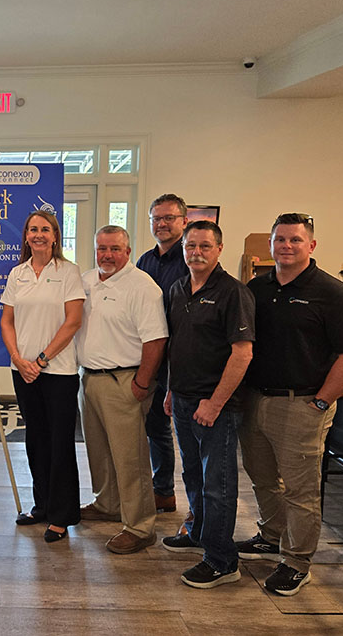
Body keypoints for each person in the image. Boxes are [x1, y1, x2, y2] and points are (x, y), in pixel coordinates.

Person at [237, 212, 343, 596]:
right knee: (261, 476)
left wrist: (322, 403)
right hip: (256, 400)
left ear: (311, 245)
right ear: (271, 244)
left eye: (295, 240)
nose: (287, 246)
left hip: (302, 404)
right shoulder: (257, 289)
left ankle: (296, 561)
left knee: (300, 489)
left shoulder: (332, 293)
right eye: (280, 240)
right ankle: (271, 535)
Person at [160, 221, 255, 589]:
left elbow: (242, 354)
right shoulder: (178, 288)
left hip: (216, 406)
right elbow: (178, 347)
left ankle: (221, 559)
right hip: (183, 399)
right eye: (190, 246)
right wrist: (171, 390)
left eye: (204, 246)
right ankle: (198, 532)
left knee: (219, 482)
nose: (196, 252)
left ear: (219, 249)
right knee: (193, 476)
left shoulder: (233, 293)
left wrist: (215, 403)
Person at [77, 225, 168, 554]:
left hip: (124, 381)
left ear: (128, 252)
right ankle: (108, 504)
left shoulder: (142, 287)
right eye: (102, 248)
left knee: (130, 459)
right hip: (89, 378)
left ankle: (140, 526)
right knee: (99, 451)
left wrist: (142, 382)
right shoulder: (86, 281)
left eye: (115, 248)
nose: (107, 255)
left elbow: (156, 339)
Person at [0, 210, 85, 543]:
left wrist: (41, 359)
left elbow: (73, 321)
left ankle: (62, 516)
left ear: (55, 236)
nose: (38, 234)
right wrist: (20, 360)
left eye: (44, 229)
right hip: (24, 372)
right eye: (32, 229)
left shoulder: (68, 272)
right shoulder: (17, 273)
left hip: (58, 372)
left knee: (60, 442)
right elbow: (7, 321)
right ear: (26, 236)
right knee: (35, 439)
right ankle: (42, 506)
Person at [136, 193, 190, 515]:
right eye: (157, 218)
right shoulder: (146, 261)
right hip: (149, 355)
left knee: (180, 431)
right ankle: (161, 491)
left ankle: (174, 496)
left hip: (179, 359)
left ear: (183, 221)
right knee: (155, 427)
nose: (163, 223)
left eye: (169, 218)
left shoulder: (191, 259)